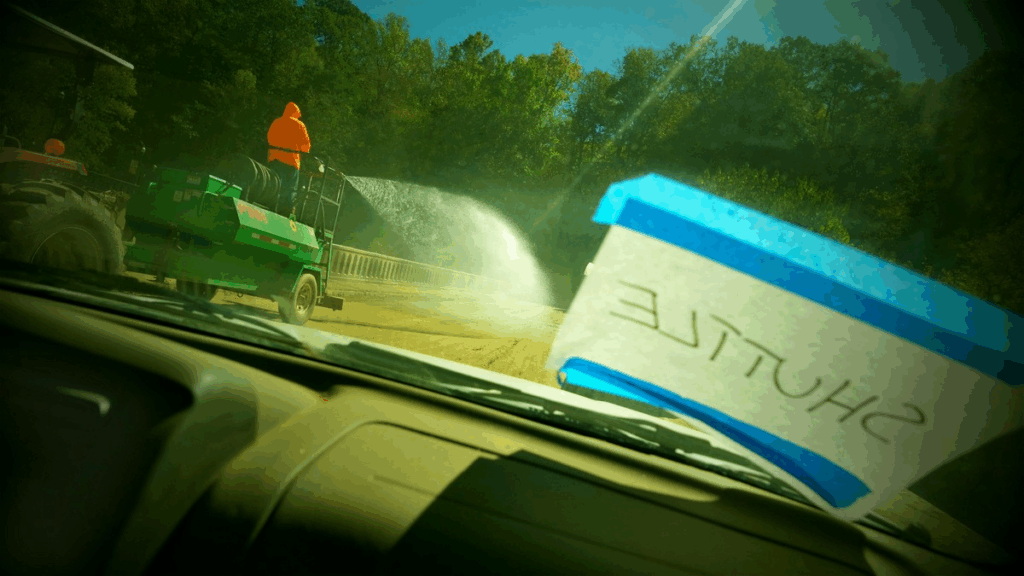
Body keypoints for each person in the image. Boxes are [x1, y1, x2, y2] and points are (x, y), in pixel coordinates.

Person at [266, 101, 311, 215]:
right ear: (296, 113)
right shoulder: (300, 125)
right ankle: (286, 214)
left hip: (275, 160)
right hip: (292, 162)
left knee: (274, 185)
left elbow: (269, 138)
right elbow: (306, 147)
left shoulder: (277, 122)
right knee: (290, 189)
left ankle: (270, 207)